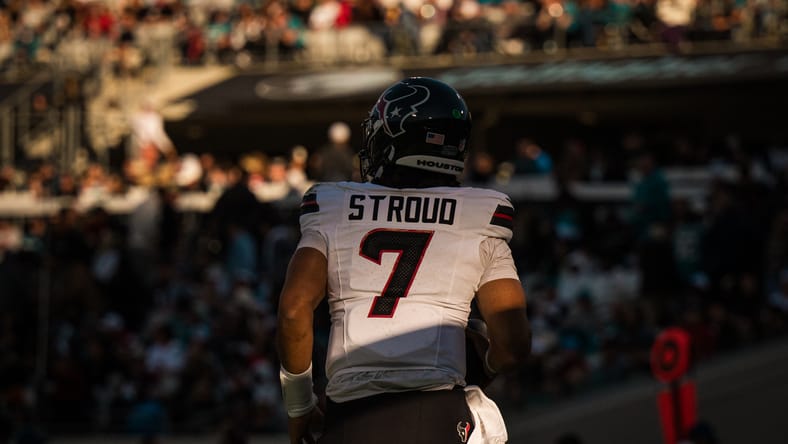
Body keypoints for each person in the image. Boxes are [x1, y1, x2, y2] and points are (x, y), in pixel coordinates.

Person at [276, 77, 531, 444]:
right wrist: (485, 364)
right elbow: (513, 342)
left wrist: (299, 406)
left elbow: (293, 309)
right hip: (437, 415)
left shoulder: (332, 205)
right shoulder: (481, 213)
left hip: (351, 418)